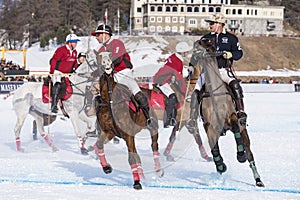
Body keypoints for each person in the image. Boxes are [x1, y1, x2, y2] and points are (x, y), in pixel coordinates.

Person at [186, 13, 247, 131]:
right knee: (196, 90)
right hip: (207, 72)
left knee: (235, 85)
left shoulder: (231, 38)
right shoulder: (204, 39)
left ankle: (240, 112)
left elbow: (239, 53)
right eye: (209, 23)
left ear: (220, 24)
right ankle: (193, 118)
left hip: (223, 70)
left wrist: (230, 54)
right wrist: (191, 66)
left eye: (212, 23)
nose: (210, 26)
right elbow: (195, 55)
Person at [91, 24, 157, 129]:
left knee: (137, 92)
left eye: (98, 35)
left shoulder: (117, 43)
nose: (96, 37)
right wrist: (93, 73)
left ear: (105, 34)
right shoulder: (100, 50)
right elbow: (100, 67)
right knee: (98, 98)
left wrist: (109, 65)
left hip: (123, 73)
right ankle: (100, 125)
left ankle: (149, 118)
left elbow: (118, 58)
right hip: (110, 77)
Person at [153, 41, 192, 128]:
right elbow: (179, 78)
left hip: (163, 78)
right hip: (162, 81)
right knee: (173, 96)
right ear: (182, 52)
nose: (187, 53)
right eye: (186, 51)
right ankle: (167, 120)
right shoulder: (177, 61)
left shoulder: (174, 57)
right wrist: (185, 91)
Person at [49, 33, 86, 113]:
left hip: (67, 74)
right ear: (69, 42)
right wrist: (51, 72)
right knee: (58, 85)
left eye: (76, 42)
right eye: (74, 42)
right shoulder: (61, 50)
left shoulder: (75, 52)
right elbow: (53, 61)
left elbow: (74, 63)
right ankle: (54, 105)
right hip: (57, 72)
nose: (76, 44)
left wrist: (77, 69)